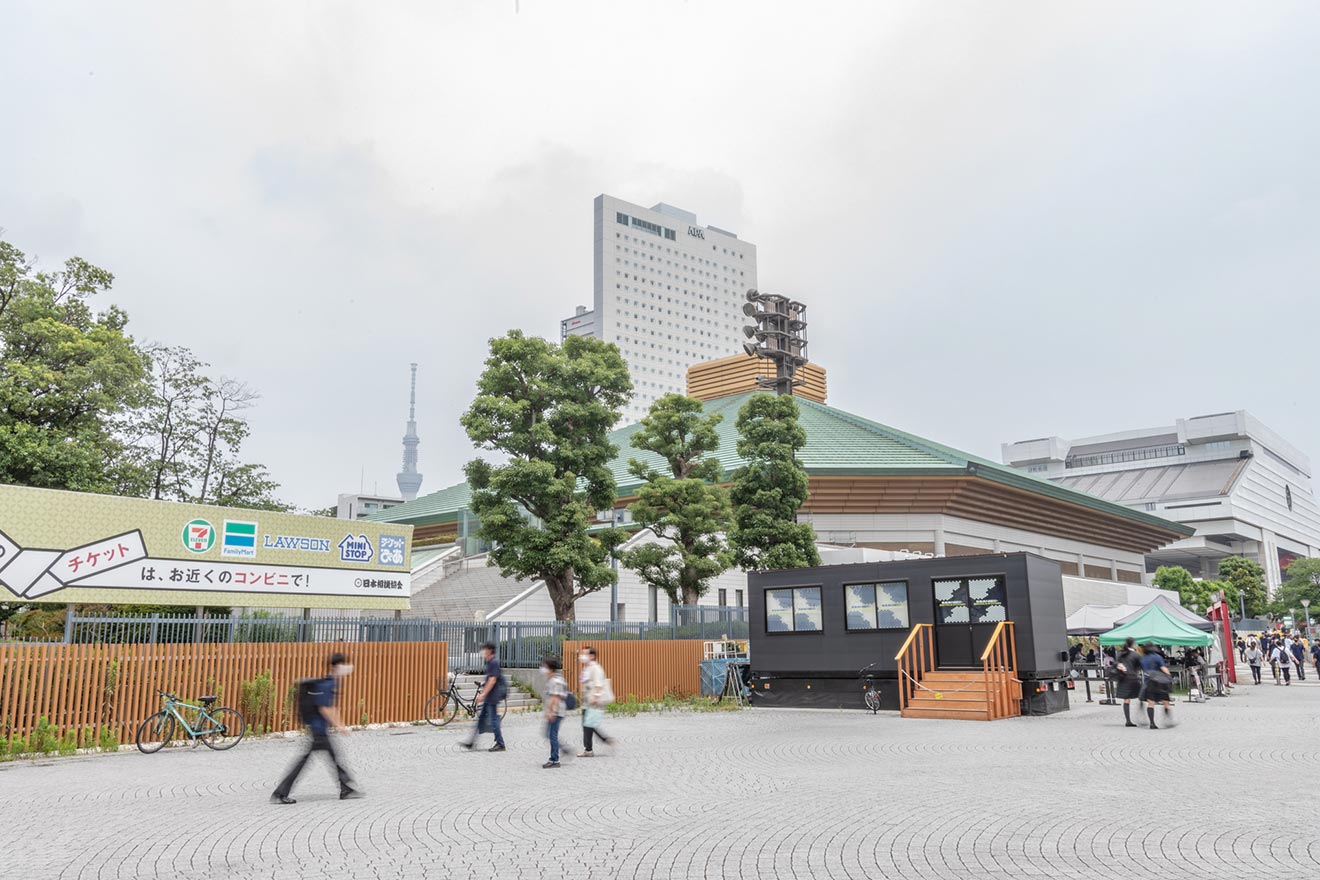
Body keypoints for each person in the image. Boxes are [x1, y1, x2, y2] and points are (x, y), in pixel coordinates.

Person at [272, 652, 362, 805]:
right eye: (341, 665)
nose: (344, 668)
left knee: (332, 757)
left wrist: (340, 725)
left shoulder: (332, 682)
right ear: (336, 666)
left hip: (319, 729)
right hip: (318, 729)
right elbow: (325, 709)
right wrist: (340, 727)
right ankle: (281, 792)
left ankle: (345, 787)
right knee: (306, 760)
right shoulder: (328, 684)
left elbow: (332, 708)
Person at [464, 642, 506, 752]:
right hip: (489, 696)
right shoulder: (489, 663)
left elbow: (492, 680)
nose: (483, 651)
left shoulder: (493, 663)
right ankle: (472, 742)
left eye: (484, 649)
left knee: (493, 720)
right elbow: (489, 679)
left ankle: (500, 743)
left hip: (492, 696)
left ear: (489, 650)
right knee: (481, 719)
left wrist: (483, 694)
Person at [578, 646, 614, 757]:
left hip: (593, 700)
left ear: (592, 656)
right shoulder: (587, 668)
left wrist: (596, 696)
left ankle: (589, 749)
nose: (582, 656)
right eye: (582, 653)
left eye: (585, 654)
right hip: (587, 700)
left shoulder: (596, 668)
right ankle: (604, 740)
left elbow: (599, 684)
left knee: (588, 724)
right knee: (589, 724)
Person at [541, 656, 570, 769]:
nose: (543, 668)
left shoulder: (555, 680)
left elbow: (555, 698)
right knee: (549, 733)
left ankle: (554, 759)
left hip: (557, 712)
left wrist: (552, 712)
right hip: (555, 711)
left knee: (552, 734)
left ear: (549, 668)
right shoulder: (554, 679)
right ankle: (563, 750)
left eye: (544, 666)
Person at [1140, 643, 1174, 729]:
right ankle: (1168, 720)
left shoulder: (1143, 659)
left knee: (1151, 703)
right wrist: (1169, 676)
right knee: (1166, 702)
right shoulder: (1157, 657)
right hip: (1160, 683)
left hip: (1149, 682)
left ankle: (1152, 723)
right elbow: (1163, 668)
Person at [1114, 638, 1144, 727]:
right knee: (1141, 696)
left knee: (1126, 699)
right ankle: (1142, 715)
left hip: (1123, 678)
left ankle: (1128, 720)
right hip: (1133, 678)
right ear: (1133, 644)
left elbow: (1115, 663)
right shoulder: (1136, 655)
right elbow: (1140, 666)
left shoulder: (1120, 654)